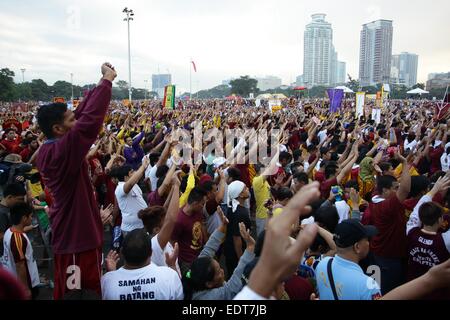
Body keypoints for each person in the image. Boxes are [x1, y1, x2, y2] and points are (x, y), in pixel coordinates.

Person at [35, 62, 117, 299]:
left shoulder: (57, 144)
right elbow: (88, 123)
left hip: (80, 238)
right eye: (70, 121)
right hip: (75, 245)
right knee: (77, 295)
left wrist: (100, 83)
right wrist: (107, 83)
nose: (76, 121)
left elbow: (80, 115)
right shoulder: (60, 152)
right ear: (58, 128)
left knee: (86, 292)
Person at [366, 152, 411, 294]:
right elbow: (405, 189)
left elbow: (378, 185)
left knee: (376, 287)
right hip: (390, 257)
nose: (397, 190)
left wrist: (379, 174)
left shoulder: (374, 198)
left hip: (377, 253)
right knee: (390, 291)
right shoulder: (387, 206)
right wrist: (404, 163)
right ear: (385, 190)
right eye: (395, 188)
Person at [183, 212, 255, 300]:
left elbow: (208, 250)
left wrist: (223, 225)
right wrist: (250, 247)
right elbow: (230, 290)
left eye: (219, 267)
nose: (222, 271)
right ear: (209, 284)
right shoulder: (207, 298)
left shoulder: (198, 273)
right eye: (218, 271)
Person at [101, 229, 183, 300]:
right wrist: (172, 266)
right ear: (151, 252)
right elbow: (178, 295)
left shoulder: (107, 281)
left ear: (122, 252)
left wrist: (113, 274)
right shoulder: (169, 276)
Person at [405, 176, 450, 298]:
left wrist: (433, 190)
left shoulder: (411, 232)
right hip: (437, 293)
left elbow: (416, 212)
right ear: (441, 220)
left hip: (412, 290)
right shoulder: (445, 241)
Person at [315, 219, 380, 300]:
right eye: (367, 239)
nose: (368, 243)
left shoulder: (323, 264)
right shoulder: (368, 285)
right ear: (357, 247)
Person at [2, 203, 40, 299]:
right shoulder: (17, 238)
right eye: (30, 216)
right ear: (24, 218)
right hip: (24, 283)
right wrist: (25, 290)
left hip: (13, 281)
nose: (32, 219)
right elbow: (20, 265)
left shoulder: (9, 231)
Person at [172, 187, 207, 276]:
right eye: (202, 204)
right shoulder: (179, 220)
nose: (203, 206)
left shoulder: (198, 212)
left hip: (200, 255)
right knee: (189, 279)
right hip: (186, 263)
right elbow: (173, 242)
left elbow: (201, 227)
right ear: (195, 203)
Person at [113, 158, 149, 236]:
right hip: (131, 230)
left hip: (142, 226)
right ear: (126, 177)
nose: (135, 173)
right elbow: (129, 184)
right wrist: (143, 166)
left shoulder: (135, 185)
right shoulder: (120, 188)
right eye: (132, 172)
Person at [224, 181, 252, 278]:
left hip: (230, 249)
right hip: (235, 253)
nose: (247, 188)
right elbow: (237, 238)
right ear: (240, 194)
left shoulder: (233, 206)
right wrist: (241, 259)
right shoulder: (240, 213)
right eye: (245, 188)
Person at [0, 183, 26, 266]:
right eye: (20, 199)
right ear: (10, 197)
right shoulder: (1, 213)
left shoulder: (8, 210)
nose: (21, 202)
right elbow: (1, 235)